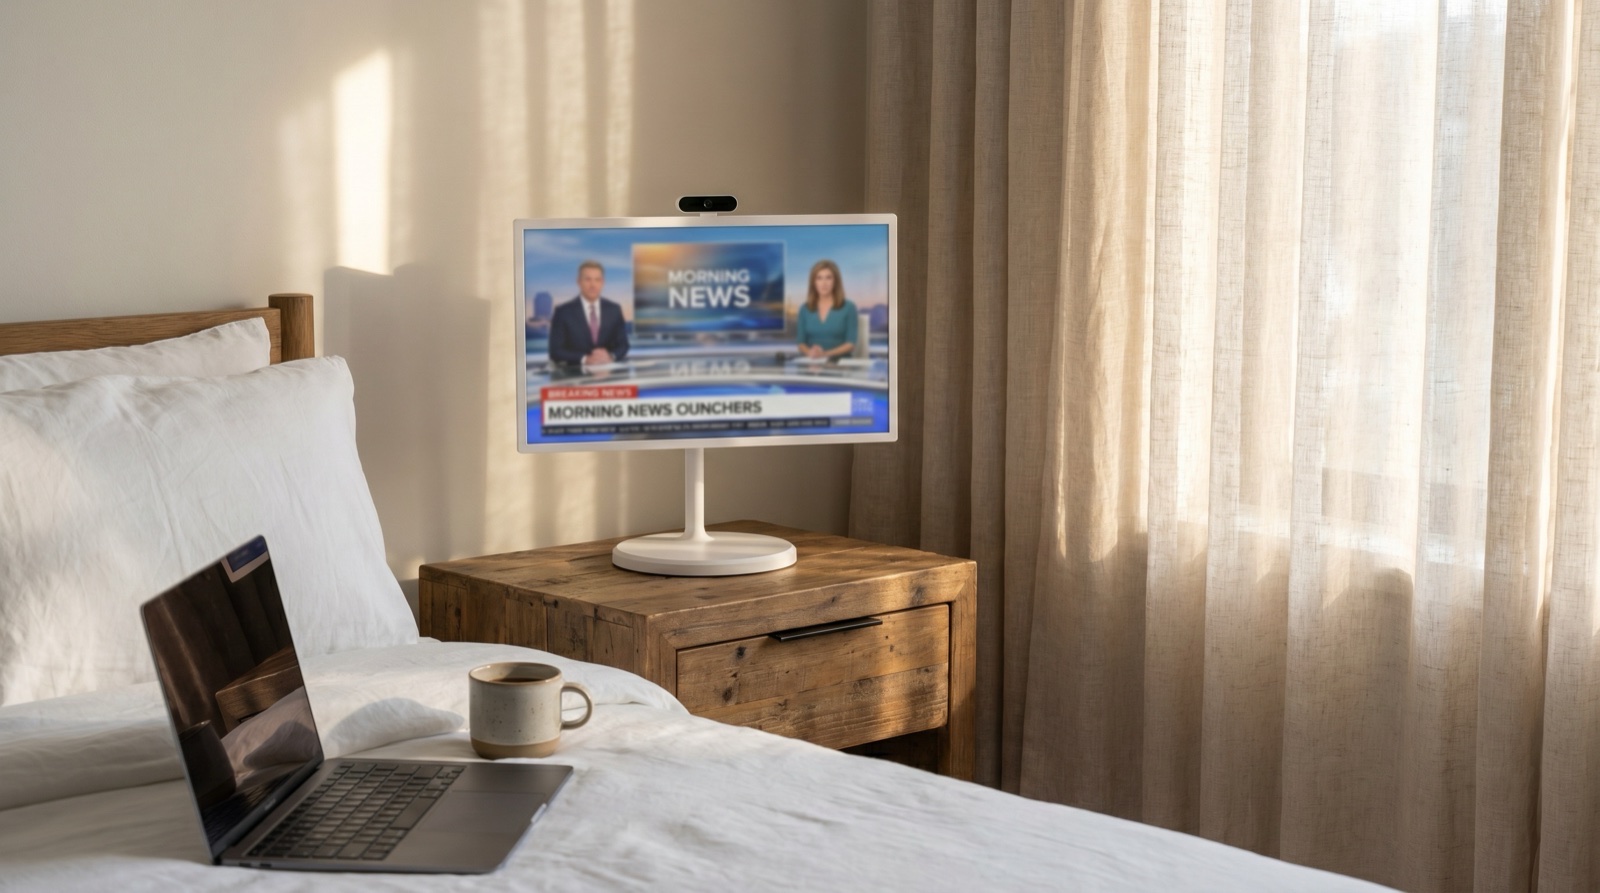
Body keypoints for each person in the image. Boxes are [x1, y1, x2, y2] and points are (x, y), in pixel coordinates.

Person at [549, 260, 630, 367]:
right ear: (579, 281)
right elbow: (555, 351)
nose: (593, 285)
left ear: (603, 282)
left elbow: (623, 345)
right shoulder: (563, 312)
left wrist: (610, 356)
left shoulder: (614, 309)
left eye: (597, 280)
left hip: (608, 373)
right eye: (588, 279)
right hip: (575, 376)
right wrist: (585, 358)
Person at [795, 259, 858, 360]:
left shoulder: (849, 307)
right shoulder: (804, 309)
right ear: (813, 282)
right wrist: (811, 353)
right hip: (812, 363)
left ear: (835, 281)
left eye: (828, 278)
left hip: (841, 365)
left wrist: (825, 354)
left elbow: (850, 344)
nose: (824, 283)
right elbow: (800, 343)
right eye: (819, 278)